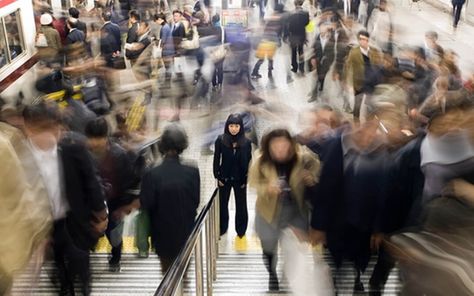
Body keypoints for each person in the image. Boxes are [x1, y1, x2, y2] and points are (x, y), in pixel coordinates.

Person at [22, 103, 108, 296]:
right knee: (56, 260)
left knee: (80, 257)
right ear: (29, 128)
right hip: (45, 226)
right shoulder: (20, 155)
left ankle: (85, 283)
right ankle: (64, 286)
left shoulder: (73, 146)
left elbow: (91, 182)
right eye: (41, 127)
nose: (51, 132)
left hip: (74, 219)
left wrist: (101, 215)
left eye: (53, 126)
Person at [248, 129, 320, 291]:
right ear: (269, 146)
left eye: (284, 145)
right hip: (268, 212)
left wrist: (311, 177)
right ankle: (272, 273)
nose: (280, 149)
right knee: (268, 248)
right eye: (276, 146)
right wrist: (268, 188)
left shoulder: (302, 157)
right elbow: (253, 183)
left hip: (294, 210)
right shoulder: (260, 160)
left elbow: (317, 165)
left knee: (293, 249)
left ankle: (287, 275)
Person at [140, 124, 200, 273]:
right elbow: (196, 201)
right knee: (183, 272)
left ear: (162, 145)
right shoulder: (192, 171)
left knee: (167, 272)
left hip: (162, 235)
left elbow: (146, 204)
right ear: (183, 145)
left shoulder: (152, 174)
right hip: (186, 232)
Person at [85, 117, 139, 272]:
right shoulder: (83, 155)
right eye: (92, 138)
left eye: (99, 138)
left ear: (106, 137)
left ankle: (115, 258)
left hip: (114, 203)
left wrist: (126, 206)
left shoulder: (119, 155)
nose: (95, 142)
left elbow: (129, 180)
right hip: (92, 204)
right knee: (90, 233)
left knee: (114, 234)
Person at [213, 114, 252, 239]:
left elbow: (249, 160)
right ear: (227, 126)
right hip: (224, 178)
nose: (234, 129)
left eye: (236, 126)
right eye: (231, 126)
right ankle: (222, 228)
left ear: (240, 127)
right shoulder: (220, 140)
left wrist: (246, 178)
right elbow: (216, 159)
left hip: (240, 179)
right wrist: (217, 176)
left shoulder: (246, 142)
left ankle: (241, 229)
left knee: (241, 205)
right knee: (222, 205)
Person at [344, 30, 383, 122]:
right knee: (357, 105)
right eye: (361, 39)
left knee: (371, 105)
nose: (363, 41)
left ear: (368, 40)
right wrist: (347, 82)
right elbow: (348, 67)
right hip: (359, 82)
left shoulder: (374, 51)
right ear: (358, 40)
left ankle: (369, 123)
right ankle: (356, 123)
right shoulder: (354, 52)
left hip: (372, 82)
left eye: (365, 39)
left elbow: (379, 65)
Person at [286, 0, 309, 75]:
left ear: (294, 4)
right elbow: (308, 24)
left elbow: (288, 26)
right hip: (302, 34)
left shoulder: (290, 14)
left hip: (293, 35)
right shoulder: (306, 13)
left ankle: (294, 67)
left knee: (293, 52)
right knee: (301, 51)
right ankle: (301, 68)